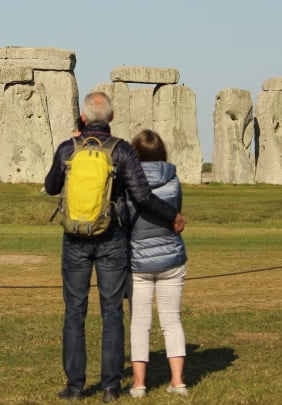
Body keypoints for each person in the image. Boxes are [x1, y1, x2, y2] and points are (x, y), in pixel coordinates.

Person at [44, 92, 184, 403]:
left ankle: (75, 387)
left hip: (75, 238)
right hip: (111, 239)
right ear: (112, 116)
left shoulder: (68, 148)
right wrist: (172, 215)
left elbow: (51, 186)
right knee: (111, 312)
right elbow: (143, 196)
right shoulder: (121, 151)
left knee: (74, 312)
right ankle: (110, 387)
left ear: (83, 117)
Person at [126, 129, 189, 398]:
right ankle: (178, 381)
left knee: (140, 323)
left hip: (138, 259)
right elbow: (176, 215)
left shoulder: (128, 183)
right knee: (171, 321)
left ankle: (139, 384)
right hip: (171, 257)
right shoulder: (173, 180)